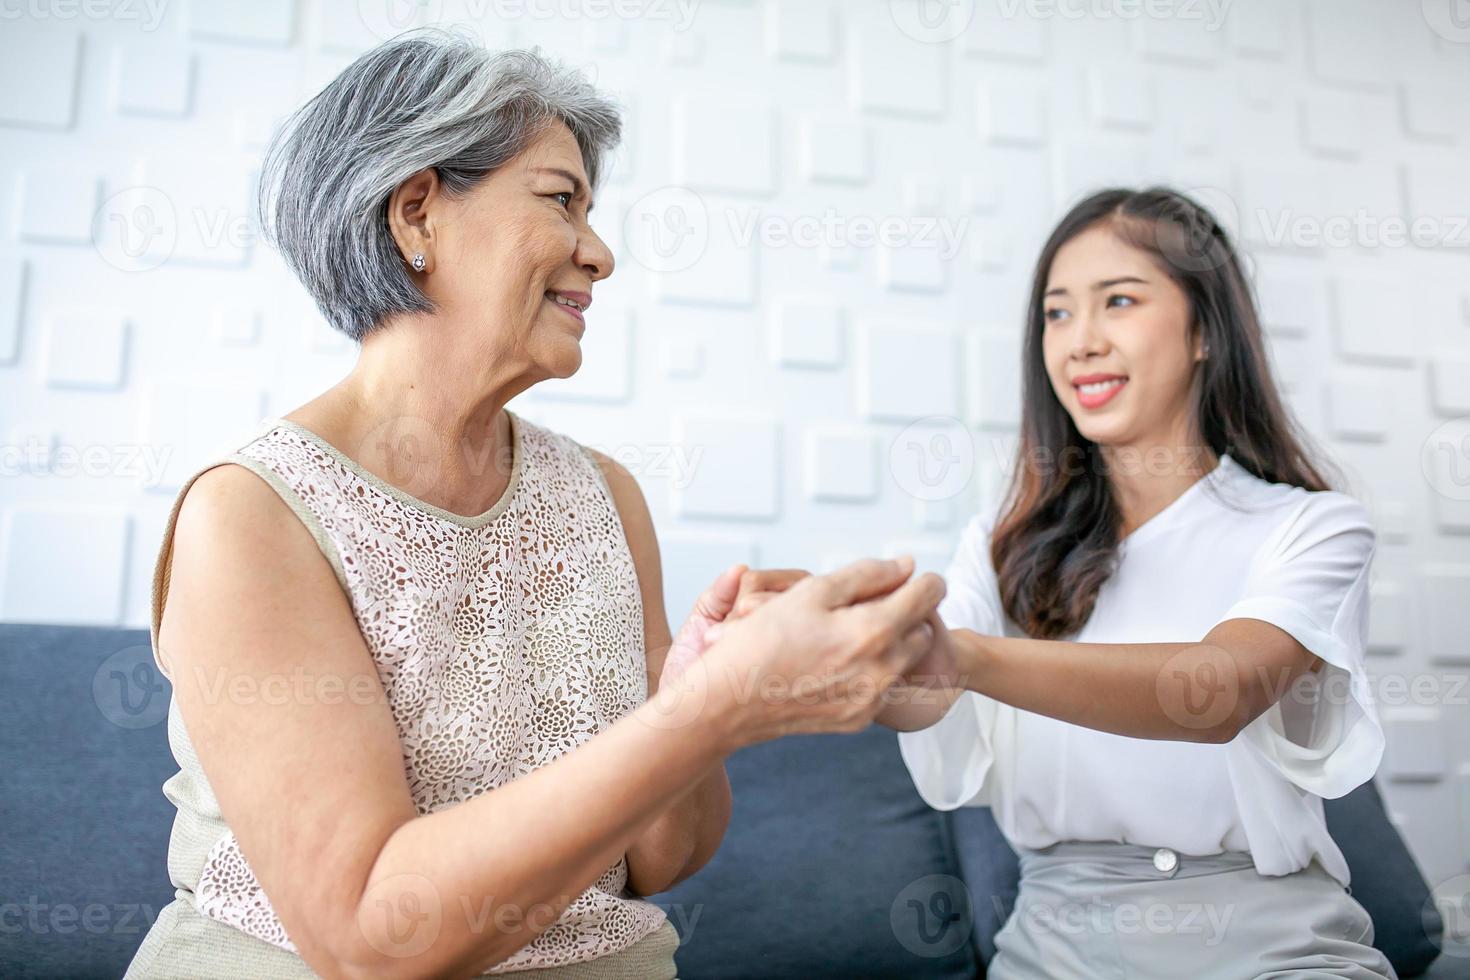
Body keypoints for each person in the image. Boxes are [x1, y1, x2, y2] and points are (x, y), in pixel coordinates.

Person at [125, 31, 945, 979]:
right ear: (418, 212)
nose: (599, 254)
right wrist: (711, 713)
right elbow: (369, 937)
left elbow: (664, 858)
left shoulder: (603, 497)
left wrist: (695, 690)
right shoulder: (253, 514)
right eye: (562, 199)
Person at [883, 188, 1397, 978]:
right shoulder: (1000, 544)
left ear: (1203, 330)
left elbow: (1218, 690)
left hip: (1272, 953)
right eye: (1057, 314)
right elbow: (920, 692)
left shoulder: (1314, 529)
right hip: (1051, 954)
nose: (1079, 341)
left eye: (1117, 301)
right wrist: (847, 638)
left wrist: (968, 658)